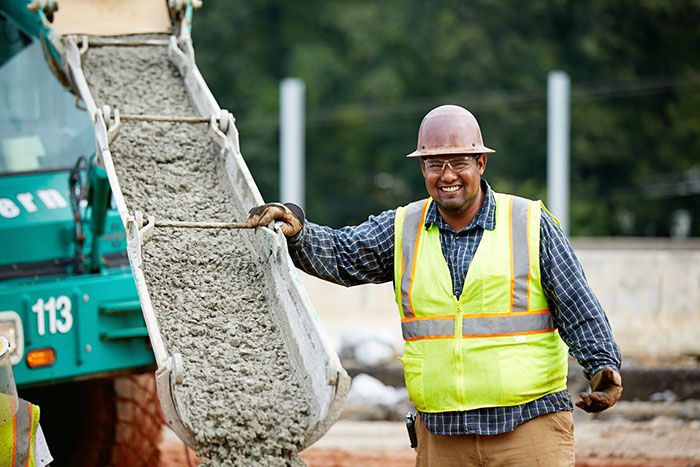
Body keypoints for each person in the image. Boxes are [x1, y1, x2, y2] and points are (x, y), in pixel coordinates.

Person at [247, 104, 622, 466]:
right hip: (443, 437)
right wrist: (297, 232)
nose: (447, 176)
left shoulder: (528, 223)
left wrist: (602, 366)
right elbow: (343, 254)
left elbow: (577, 306)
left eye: (459, 162)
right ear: (422, 168)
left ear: (480, 163)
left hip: (527, 430)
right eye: (434, 164)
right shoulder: (403, 228)